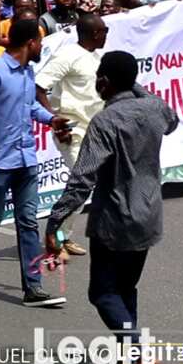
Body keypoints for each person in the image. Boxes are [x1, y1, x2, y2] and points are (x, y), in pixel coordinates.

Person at [45, 51, 178, 364]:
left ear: (105, 81)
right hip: (148, 215)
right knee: (126, 289)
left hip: (114, 220)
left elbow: (81, 180)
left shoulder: (106, 121)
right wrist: (130, 80)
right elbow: (173, 119)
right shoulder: (154, 108)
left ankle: (138, 354)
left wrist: (55, 221)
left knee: (103, 293)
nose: (96, 82)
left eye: (100, 77)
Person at [0, 19, 69, 306]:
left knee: (28, 222)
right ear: (30, 43)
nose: (42, 47)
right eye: (40, 42)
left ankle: (33, 287)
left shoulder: (27, 71)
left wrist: (51, 119)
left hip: (26, 159)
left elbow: (30, 105)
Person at [35, 13, 108, 256]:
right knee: (81, 184)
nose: (106, 34)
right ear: (94, 33)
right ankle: (55, 238)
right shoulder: (67, 55)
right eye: (103, 30)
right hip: (71, 132)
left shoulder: (96, 57)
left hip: (93, 132)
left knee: (82, 187)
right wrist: (55, 122)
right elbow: (39, 87)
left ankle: (63, 236)